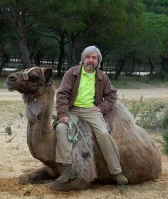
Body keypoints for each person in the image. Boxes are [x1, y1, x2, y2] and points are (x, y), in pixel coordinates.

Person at [55, 46, 128, 185]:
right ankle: (68, 169)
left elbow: (112, 95)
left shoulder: (102, 77)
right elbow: (62, 94)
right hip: (73, 109)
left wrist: (101, 108)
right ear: (83, 59)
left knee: (103, 134)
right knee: (61, 129)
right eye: (88, 57)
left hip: (91, 110)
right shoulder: (72, 73)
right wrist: (63, 114)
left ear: (98, 61)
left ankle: (116, 172)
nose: (91, 60)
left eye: (94, 58)